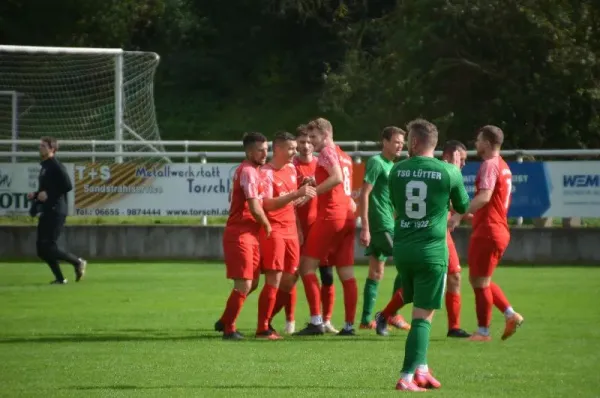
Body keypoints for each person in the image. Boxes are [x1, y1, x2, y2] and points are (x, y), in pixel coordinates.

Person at [388, 119, 469, 391]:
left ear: (413, 142)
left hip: (403, 250)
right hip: (431, 251)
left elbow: (398, 206)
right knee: (422, 316)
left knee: (421, 308)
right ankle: (407, 376)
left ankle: (422, 369)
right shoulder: (448, 171)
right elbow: (463, 205)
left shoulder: (396, 171)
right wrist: (454, 172)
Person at [449, 126, 524, 342]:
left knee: (479, 282)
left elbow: (484, 197)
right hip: (496, 228)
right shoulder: (502, 165)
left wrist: (459, 215)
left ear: (488, 143)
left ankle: (483, 331)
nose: (476, 143)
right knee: (481, 279)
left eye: (479, 140)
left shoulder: (489, 165)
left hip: (489, 231)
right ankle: (510, 315)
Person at [294, 118, 358, 336]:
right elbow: (347, 185)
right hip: (348, 217)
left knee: (306, 267)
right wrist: (313, 180)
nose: (310, 142)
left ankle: (316, 322)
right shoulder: (346, 156)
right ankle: (349, 326)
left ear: (326, 134)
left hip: (331, 215)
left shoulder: (327, 152)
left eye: (313, 137)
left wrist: (313, 191)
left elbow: (336, 178)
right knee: (347, 273)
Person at [258, 131, 316, 339]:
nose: (295, 152)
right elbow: (267, 204)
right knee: (273, 279)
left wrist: (298, 228)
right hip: (274, 230)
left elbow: (291, 203)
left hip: (291, 231)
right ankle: (262, 328)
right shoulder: (265, 172)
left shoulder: (291, 169)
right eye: (291, 148)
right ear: (278, 149)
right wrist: (296, 193)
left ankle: (268, 321)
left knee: (290, 280)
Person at [216, 132, 272, 340]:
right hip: (240, 233)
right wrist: (267, 225)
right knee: (245, 284)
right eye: (261, 150)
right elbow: (255, 207)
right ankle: (229, 329)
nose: (265, 153)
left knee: (254, 282)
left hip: (249, 233)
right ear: (249, 151)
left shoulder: (255, 171)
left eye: (267, 149)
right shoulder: (248, 171)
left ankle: (225, 319)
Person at [358, 126, 409, 331]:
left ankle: (365, 319)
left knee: (376, 272)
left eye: (401, 142)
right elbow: (364, 194)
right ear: (385, 142)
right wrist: (365, 227)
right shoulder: (376, 162)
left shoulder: (392, 166)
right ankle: (392, 314)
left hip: (388, 223)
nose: (400, 146)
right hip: (381, 226)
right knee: (406, 265)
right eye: (396, 141)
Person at [293, 124, 338, 333]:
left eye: (309, 141)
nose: (307, 145)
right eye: (302, 141)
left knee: (327, 274)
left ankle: (325, 320)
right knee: (293, 275)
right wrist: (297, 228)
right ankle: (290, 321)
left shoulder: (322, 162)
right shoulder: (291, 167)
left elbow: (337, 182)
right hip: (300, 228)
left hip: (321, 223)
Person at [29, 136, 86, 284]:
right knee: (41, 249)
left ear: (52, 149)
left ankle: (77, 262)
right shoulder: (45, 166)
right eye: (40, 145)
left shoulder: (56, 165)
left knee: (48, 245)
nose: (40, 148)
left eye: (43, 146)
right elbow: (45, 190)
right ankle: (60, 278)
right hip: (48, 210)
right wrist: (35, 196)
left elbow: (67, 186)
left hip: (56, 210)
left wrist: (48, 194)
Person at [440, 140, 471, 338]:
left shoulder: (448, 174)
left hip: (443, 234)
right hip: (432, 234)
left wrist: (466, 216)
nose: (463, 164)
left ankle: (454, 327)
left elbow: (453, 204)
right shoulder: (443, 173)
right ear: (450, 157)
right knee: (418, 286)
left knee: (455, 276)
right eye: (462, 159)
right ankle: (386, 314)